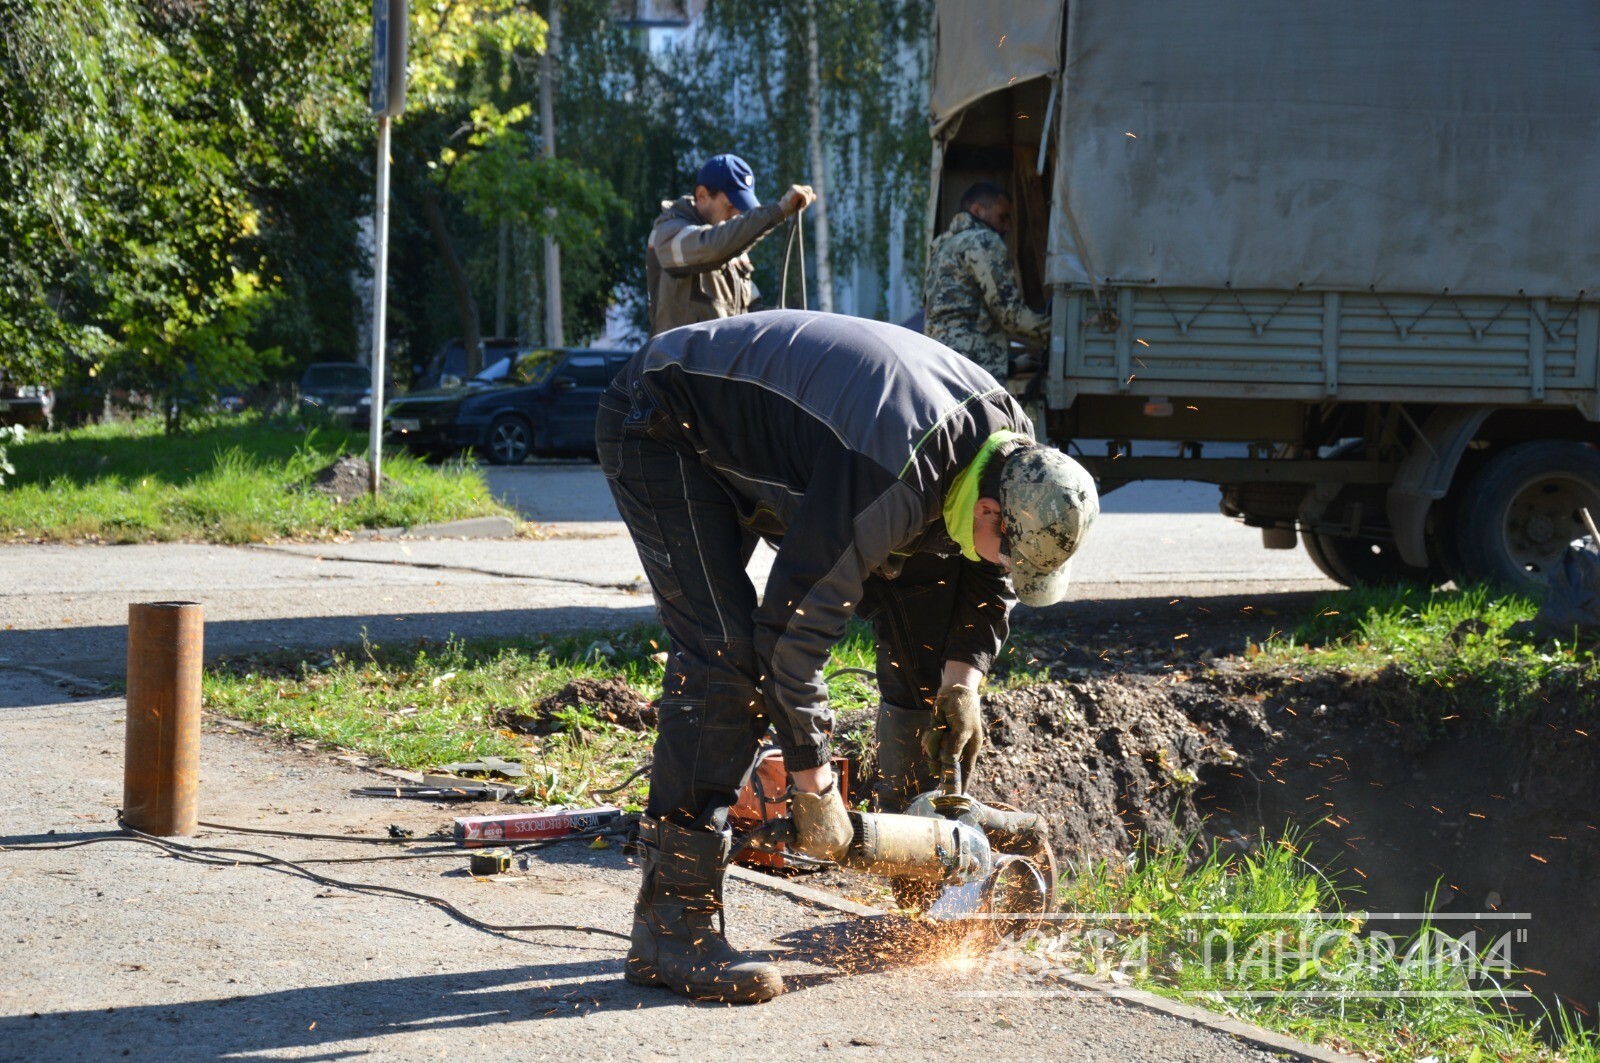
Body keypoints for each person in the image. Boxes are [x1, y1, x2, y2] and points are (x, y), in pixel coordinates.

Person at [597, 309, 1099, 1003]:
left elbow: (985, 580)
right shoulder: (891, 474)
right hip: (665, 419)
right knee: (728, 658)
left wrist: (964, 678)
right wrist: (814, 787)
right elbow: (791, 645)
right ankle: (671, 926)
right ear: (990, 513)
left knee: (932, 632)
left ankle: (921, 871)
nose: (1008, 567)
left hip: (816, 447)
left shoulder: (1012, 455)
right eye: (1010, 550)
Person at [646, 154, 816, 336]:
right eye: (730, 206)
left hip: (724, 362)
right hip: (679, 363)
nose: (737, 215)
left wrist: (788, 324)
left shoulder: (732, 249)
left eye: (743, 209)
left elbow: (753, 311)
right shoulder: (668, 233)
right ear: (702, 196)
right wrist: (778, 210)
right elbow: (710, 246)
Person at [924, 181, 1051, 381]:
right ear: (978, 210)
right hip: (972, 373)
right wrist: (1058, 332)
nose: (1008, 226)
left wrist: (1012, 366)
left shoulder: (942, 245)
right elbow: (1010, 315)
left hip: (941, 365)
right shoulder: (983, 240)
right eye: (1003, 217)